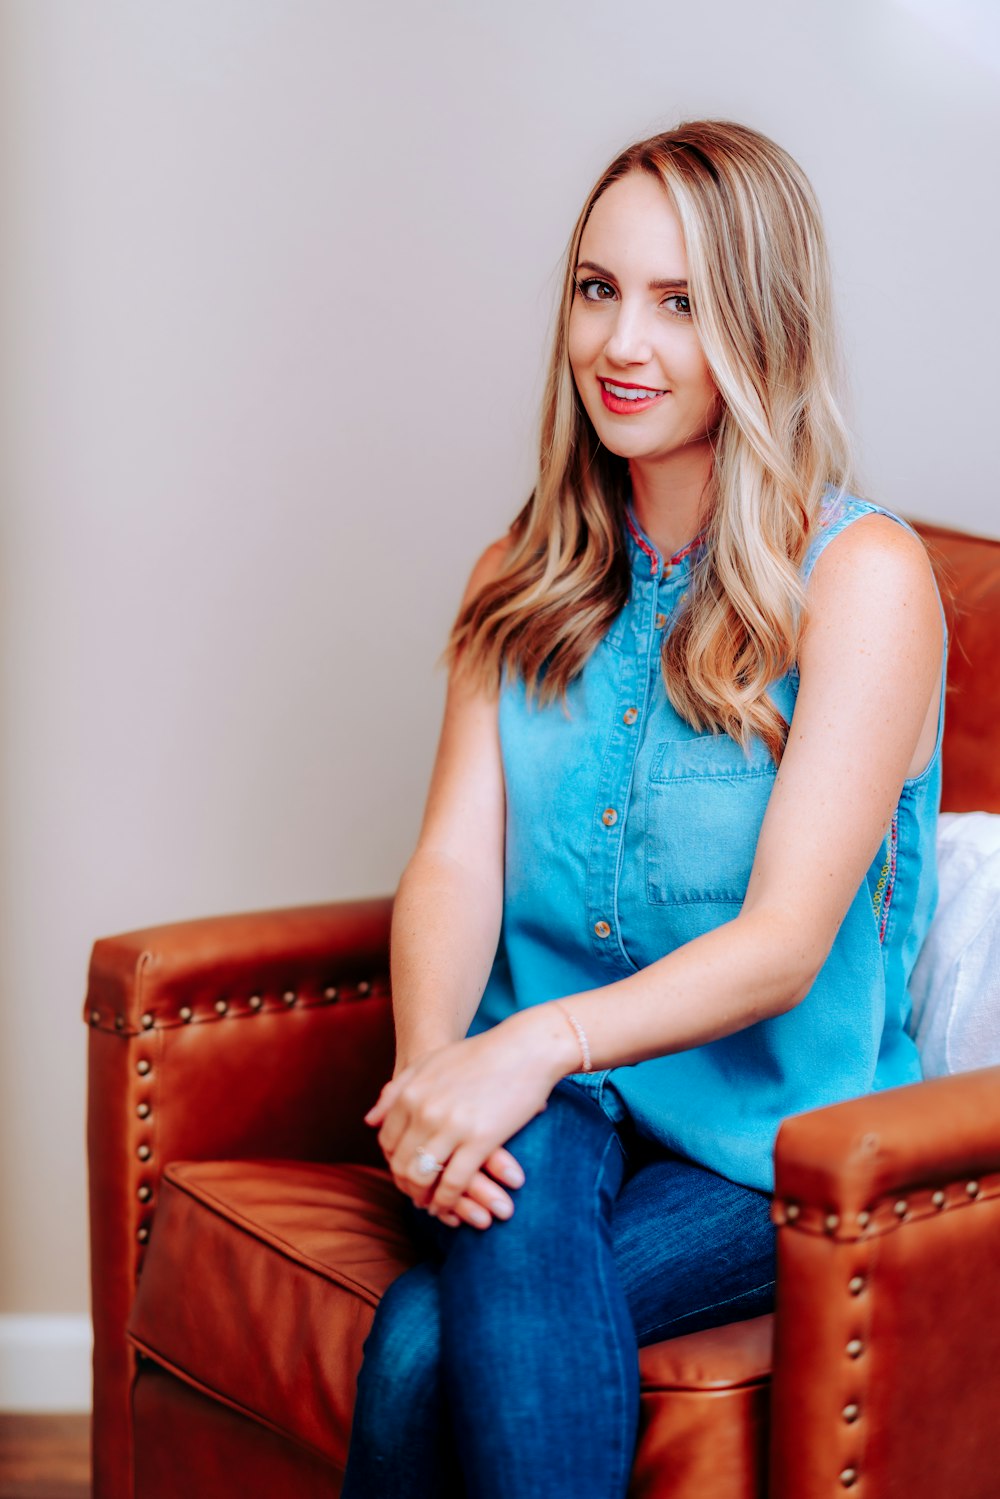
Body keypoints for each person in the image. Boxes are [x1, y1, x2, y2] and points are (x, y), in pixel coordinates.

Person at [340, 119, 945, 1498]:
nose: (626, 342)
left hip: (767, 1144)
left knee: (424, 1351)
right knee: (471, 1279)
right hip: (550, 1104)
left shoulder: (862, 582)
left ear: (760, 325)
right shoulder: (525, 568)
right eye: (599, 288)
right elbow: (451, 863)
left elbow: (788, 941)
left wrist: (525, 1050)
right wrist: (441, 1079)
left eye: (681, 303)